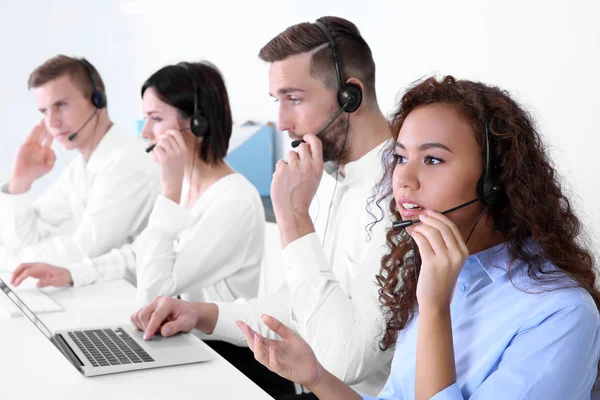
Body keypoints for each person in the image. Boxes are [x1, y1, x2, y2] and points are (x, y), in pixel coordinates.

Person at [236, 75, 600, 399]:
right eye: (399, 157)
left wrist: (435, 310)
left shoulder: (561, 314)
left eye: (433, 160)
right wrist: (317, 377)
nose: (404, 180)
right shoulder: (436, 272)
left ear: (494, 181)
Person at [129, 16, 393, 398]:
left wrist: (293, 217)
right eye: (277, 101)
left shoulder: (401, 195)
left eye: (295, 99)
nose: (282, 121)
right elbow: (297, 306)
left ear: (350, 95)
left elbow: (343, 363)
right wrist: (202, 315)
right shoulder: (323, 176)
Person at [11, 61, 266, 312]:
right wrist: (73, 273)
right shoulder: (189, 187)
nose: (144, 132)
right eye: (145, 118)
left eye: (155, 118)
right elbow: (141, 256)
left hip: (216, 349)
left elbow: (153, 292)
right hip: (181, 335)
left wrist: (169, 193)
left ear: (198, 124)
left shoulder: (232, 201)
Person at [0, 55, 159, 269]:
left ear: (97, 100)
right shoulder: (79, 170)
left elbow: (82, 252)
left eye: (61, 105)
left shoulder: (128, 163)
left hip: (135, 297)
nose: (52, 122)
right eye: (44, 111)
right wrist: (20, 183)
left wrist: (11, 260)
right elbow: (27, 238)